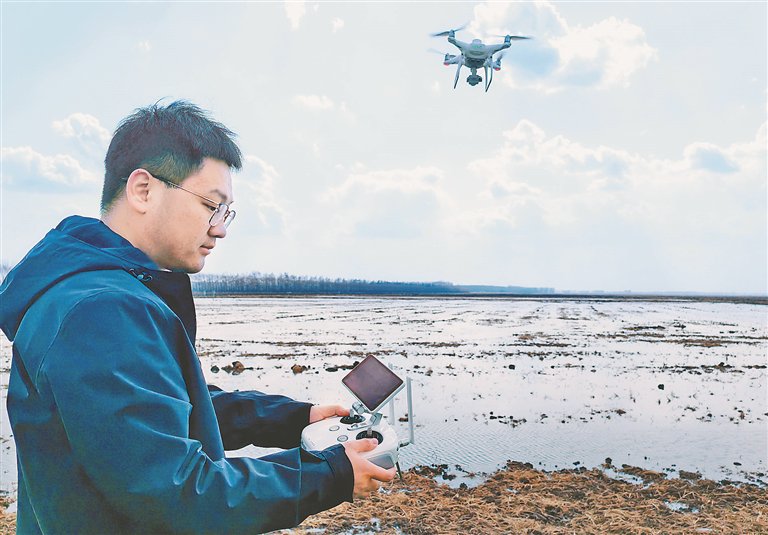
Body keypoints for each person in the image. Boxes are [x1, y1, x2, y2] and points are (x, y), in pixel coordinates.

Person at [0, 100, 395, 534]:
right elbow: (176, 494)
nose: (221, 228)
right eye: (211, 204)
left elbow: (167, 407)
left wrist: (295, 418)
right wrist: (329, 474)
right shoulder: (100, 310)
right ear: (143, 190)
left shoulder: (87, 293)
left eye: (227, 212)